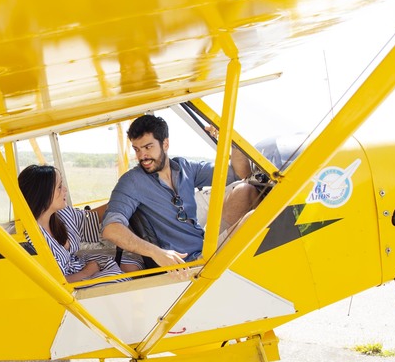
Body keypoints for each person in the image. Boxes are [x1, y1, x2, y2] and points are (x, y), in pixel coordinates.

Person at [101, 114, 261, 270]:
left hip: (205, 245)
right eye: (137, 150)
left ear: (165, 144)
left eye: (148, 147)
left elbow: (240, 174)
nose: (142, 156)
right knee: (255, 218)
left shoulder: (184, 167)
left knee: (245, 191)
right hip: (190, 264)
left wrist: (231, 140)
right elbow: (110, 228)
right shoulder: (132, 181)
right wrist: (156, 252)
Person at [17, 165, 132, 283]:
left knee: (132, 263)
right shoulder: (31, 240)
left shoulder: (61, 214)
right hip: (69, 284)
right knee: (120, 281)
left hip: (79, 266)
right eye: (59, 187)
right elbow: (52, 283)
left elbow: (90, 218)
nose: (65, 189)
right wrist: (86, 272)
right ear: (43, 194)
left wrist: (127, 202)